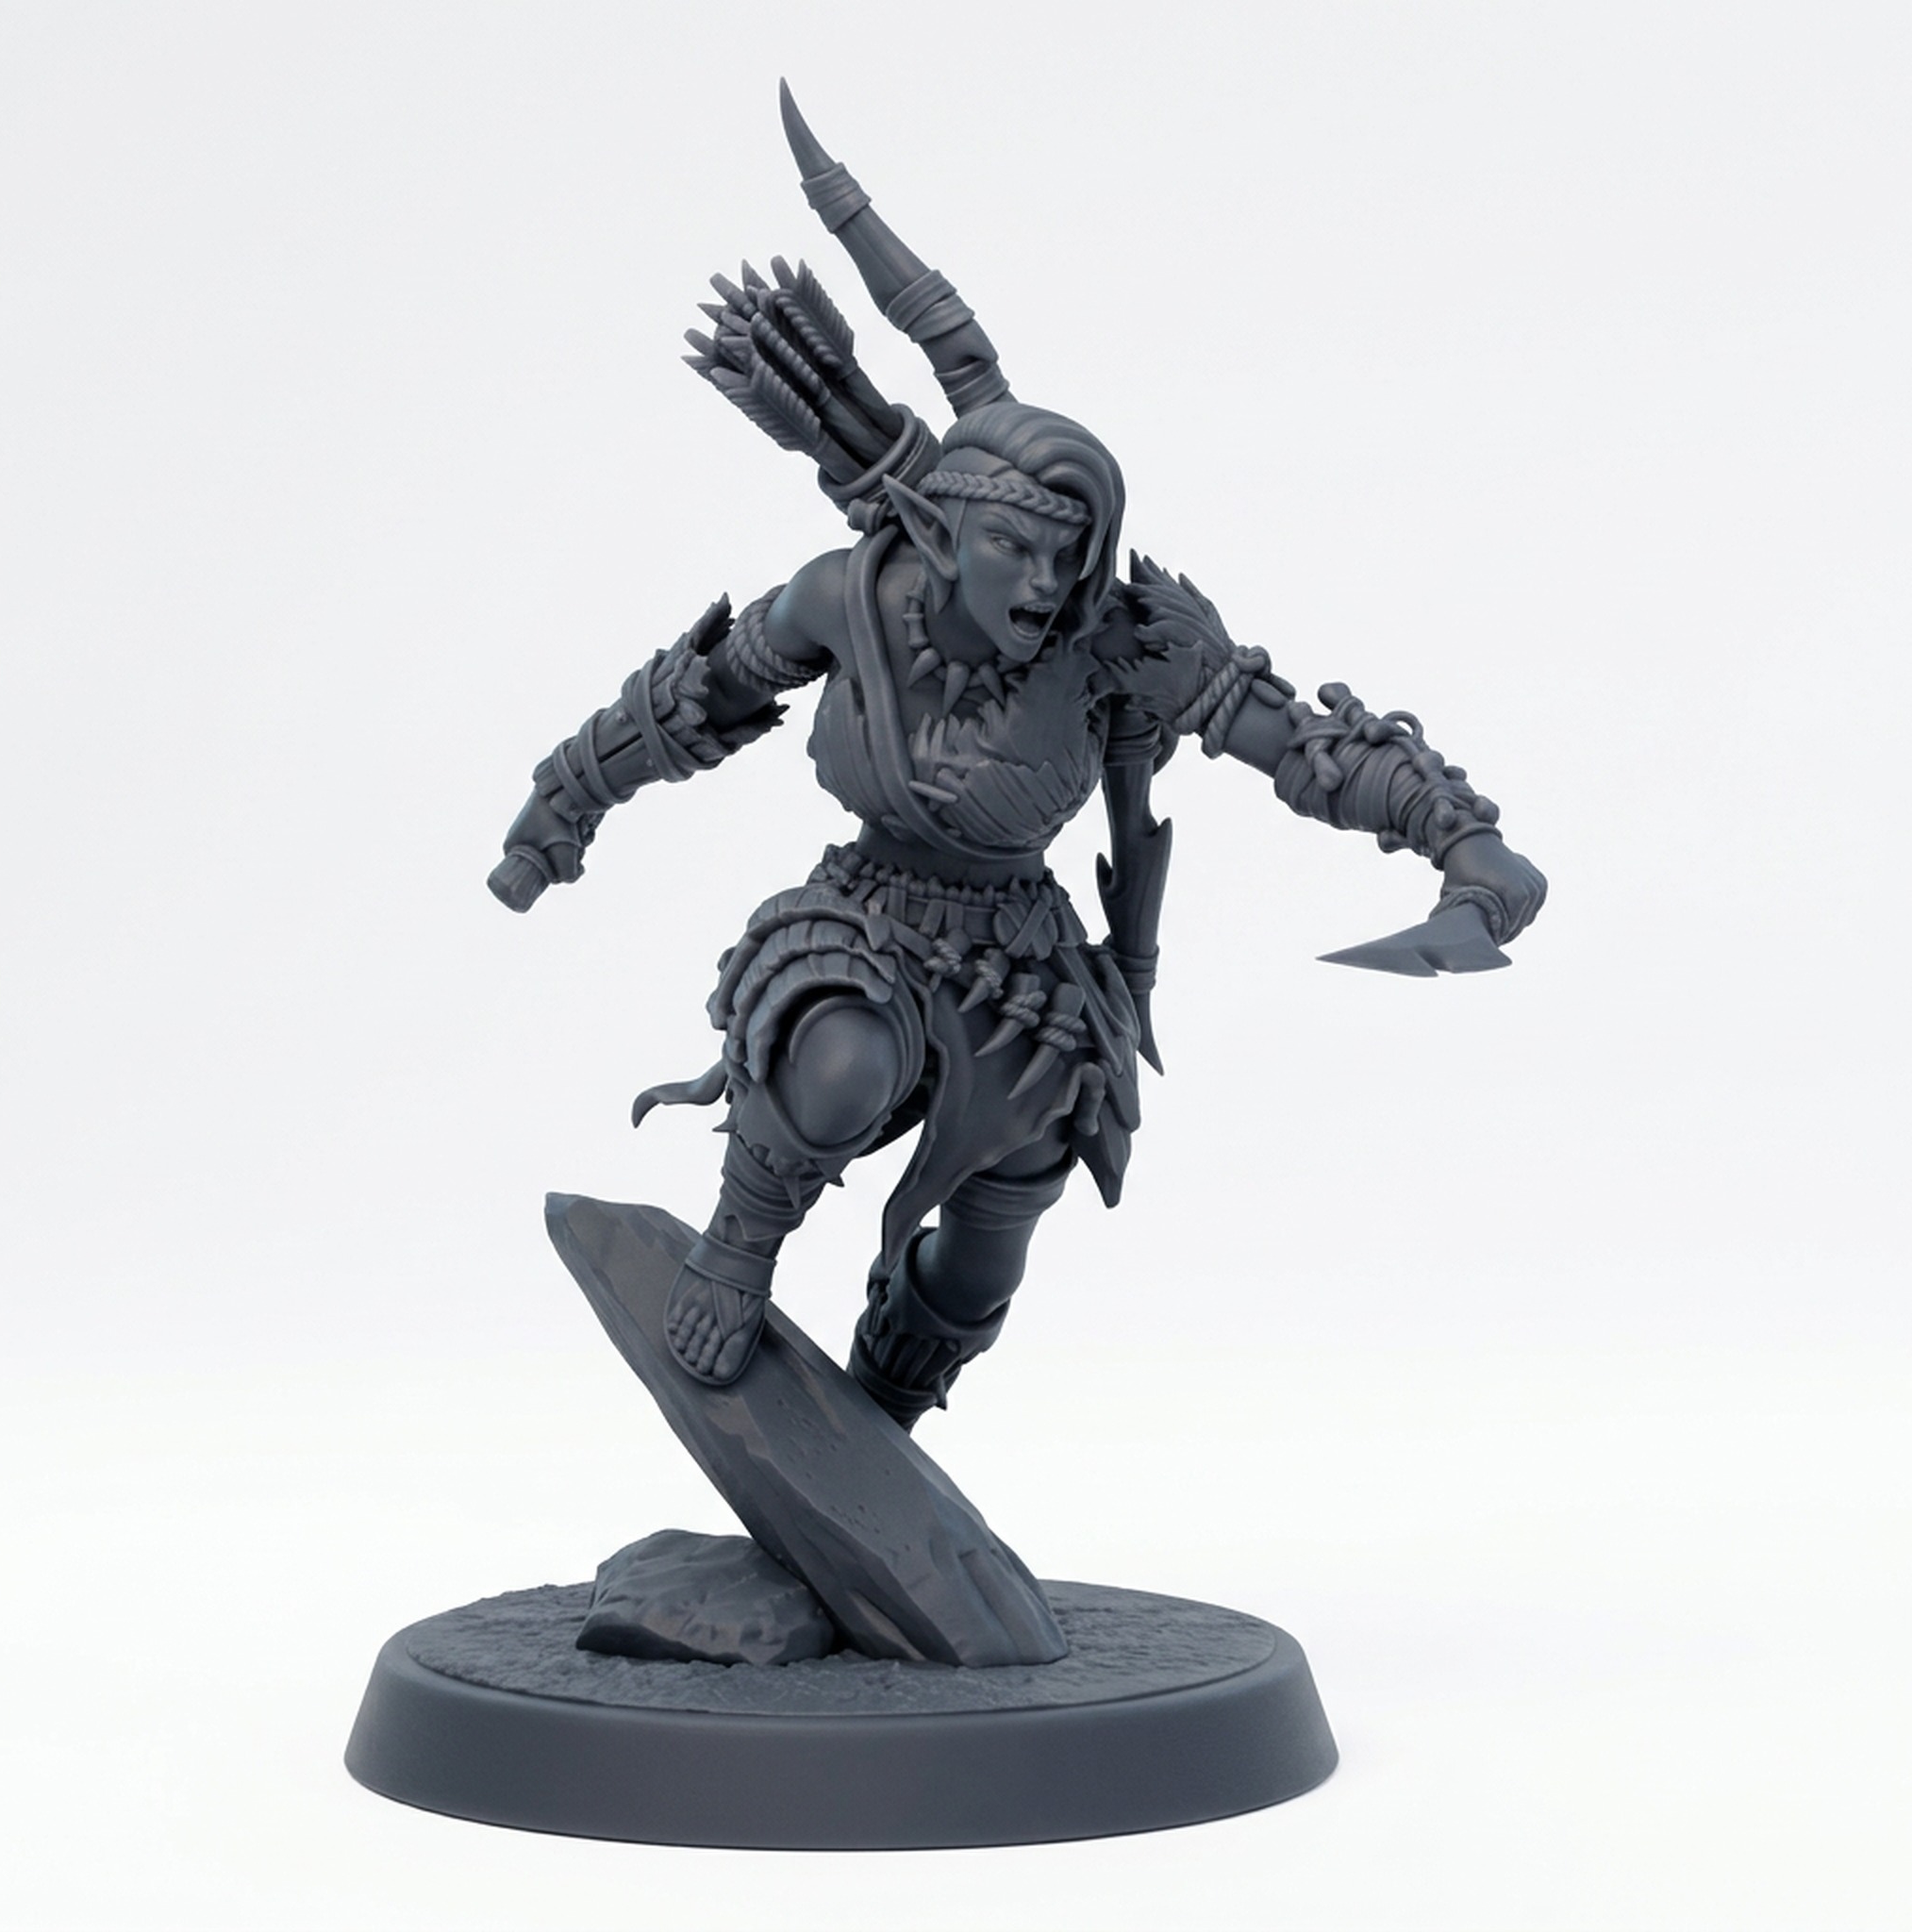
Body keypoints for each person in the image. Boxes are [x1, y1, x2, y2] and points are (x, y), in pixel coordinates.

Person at [486, 92, 1545, 1429]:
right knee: (836, 1064)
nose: (1045, 583)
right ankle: (741, 1245)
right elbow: (692, 703)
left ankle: (888, 1414)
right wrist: (561, 808)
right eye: (1016, 549)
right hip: (867, 918)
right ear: (941, 533)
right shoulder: (848, 599)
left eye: (1068, 555)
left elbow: (1300, 744)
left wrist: (1460, 838)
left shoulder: (1117, 643)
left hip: (1027, 970)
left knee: (993, 1241)